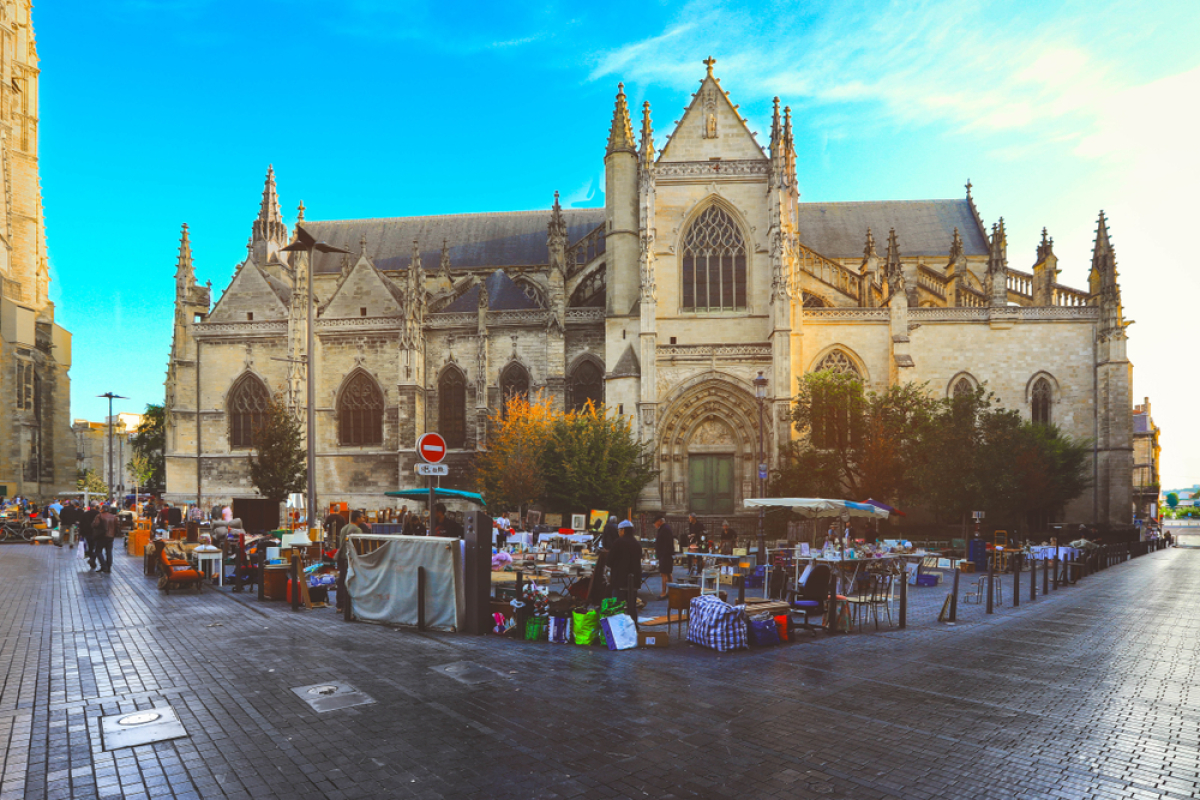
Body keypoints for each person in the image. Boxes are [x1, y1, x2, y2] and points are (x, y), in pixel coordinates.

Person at [335, 510, 365, 613]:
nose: (363, 519)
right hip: (350, 558)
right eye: (362, 517)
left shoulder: (344, 528)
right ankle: (349, 604)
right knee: (350, 581)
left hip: (341, 557)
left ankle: (340, 604)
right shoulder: (357, 530)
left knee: (342, 580)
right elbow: (358, 546)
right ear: (357, 518)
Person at [608, 519, 642, 604]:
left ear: (623, 530)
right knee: (632, 605)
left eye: (619, 530)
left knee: (617, 606)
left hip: (619, 579)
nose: (618, 533)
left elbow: (609, 560)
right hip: (634, 580)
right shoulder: (637, 544)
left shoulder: (618, 542)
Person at [653, 514, 676, 600]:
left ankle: (664, 592)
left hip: (665, 555)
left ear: (659, 521)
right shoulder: (664, 528)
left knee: (664, 574)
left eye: (655, 523)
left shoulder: (665, 529)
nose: (655, 525)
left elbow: (666, 543)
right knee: (668, 574)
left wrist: (662, 554)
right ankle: (671, 591)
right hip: (666, 555)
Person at [94, 505, 119, 573]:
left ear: (102, 509)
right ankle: (108, 567)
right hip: (111, 536)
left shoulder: (99, 516)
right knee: (109, 552)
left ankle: (103, 565)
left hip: (102, 536)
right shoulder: (114, 517)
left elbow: (95, 525)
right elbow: (117, 526)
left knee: (98, 551)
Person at [81, 502, 101, 568]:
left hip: (87, 533)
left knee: (90, 547)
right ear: (95, 507)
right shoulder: (98, 514)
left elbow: (81, 524)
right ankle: (92, 559)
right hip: (96, 533)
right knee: (96, 547)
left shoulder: (85, 514)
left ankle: (92, 560)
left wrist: (81, 534)